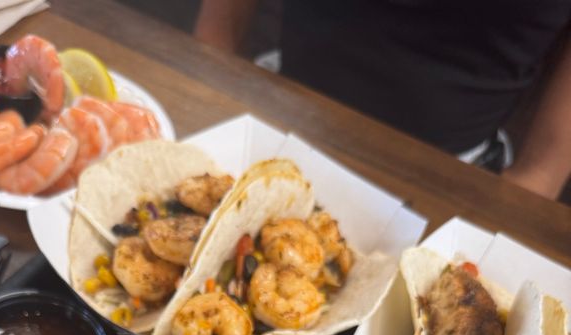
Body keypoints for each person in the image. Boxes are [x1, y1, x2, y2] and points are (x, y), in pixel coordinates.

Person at [194, 0, 571, 200]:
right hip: (276, 113)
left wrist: (537, 179)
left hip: (458, 176)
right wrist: (211, 62)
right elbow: (214, 41)